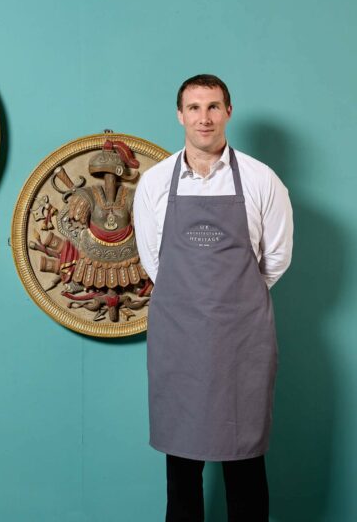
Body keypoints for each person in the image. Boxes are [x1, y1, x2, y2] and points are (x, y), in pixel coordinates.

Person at [133, 74, 293, 521]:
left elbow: (275, 259)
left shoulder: (263, 181)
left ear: (228, 113)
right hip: (180, 340)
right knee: (181, 469)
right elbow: (153, 260)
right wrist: (194, 302)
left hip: (243, 341)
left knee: (245, 465)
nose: (204, 118)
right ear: (180, 115)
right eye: (195, 108)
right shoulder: (156, 183)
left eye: (214, 107)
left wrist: (233, 301)